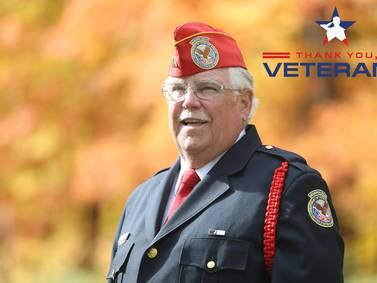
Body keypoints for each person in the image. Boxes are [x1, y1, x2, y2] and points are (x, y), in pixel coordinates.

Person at [107, 22, 344, 283]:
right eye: (176, 90)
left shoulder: (285, 189)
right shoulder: (141, 198)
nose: (188, 101)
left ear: (244, 103)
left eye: (207, 88)